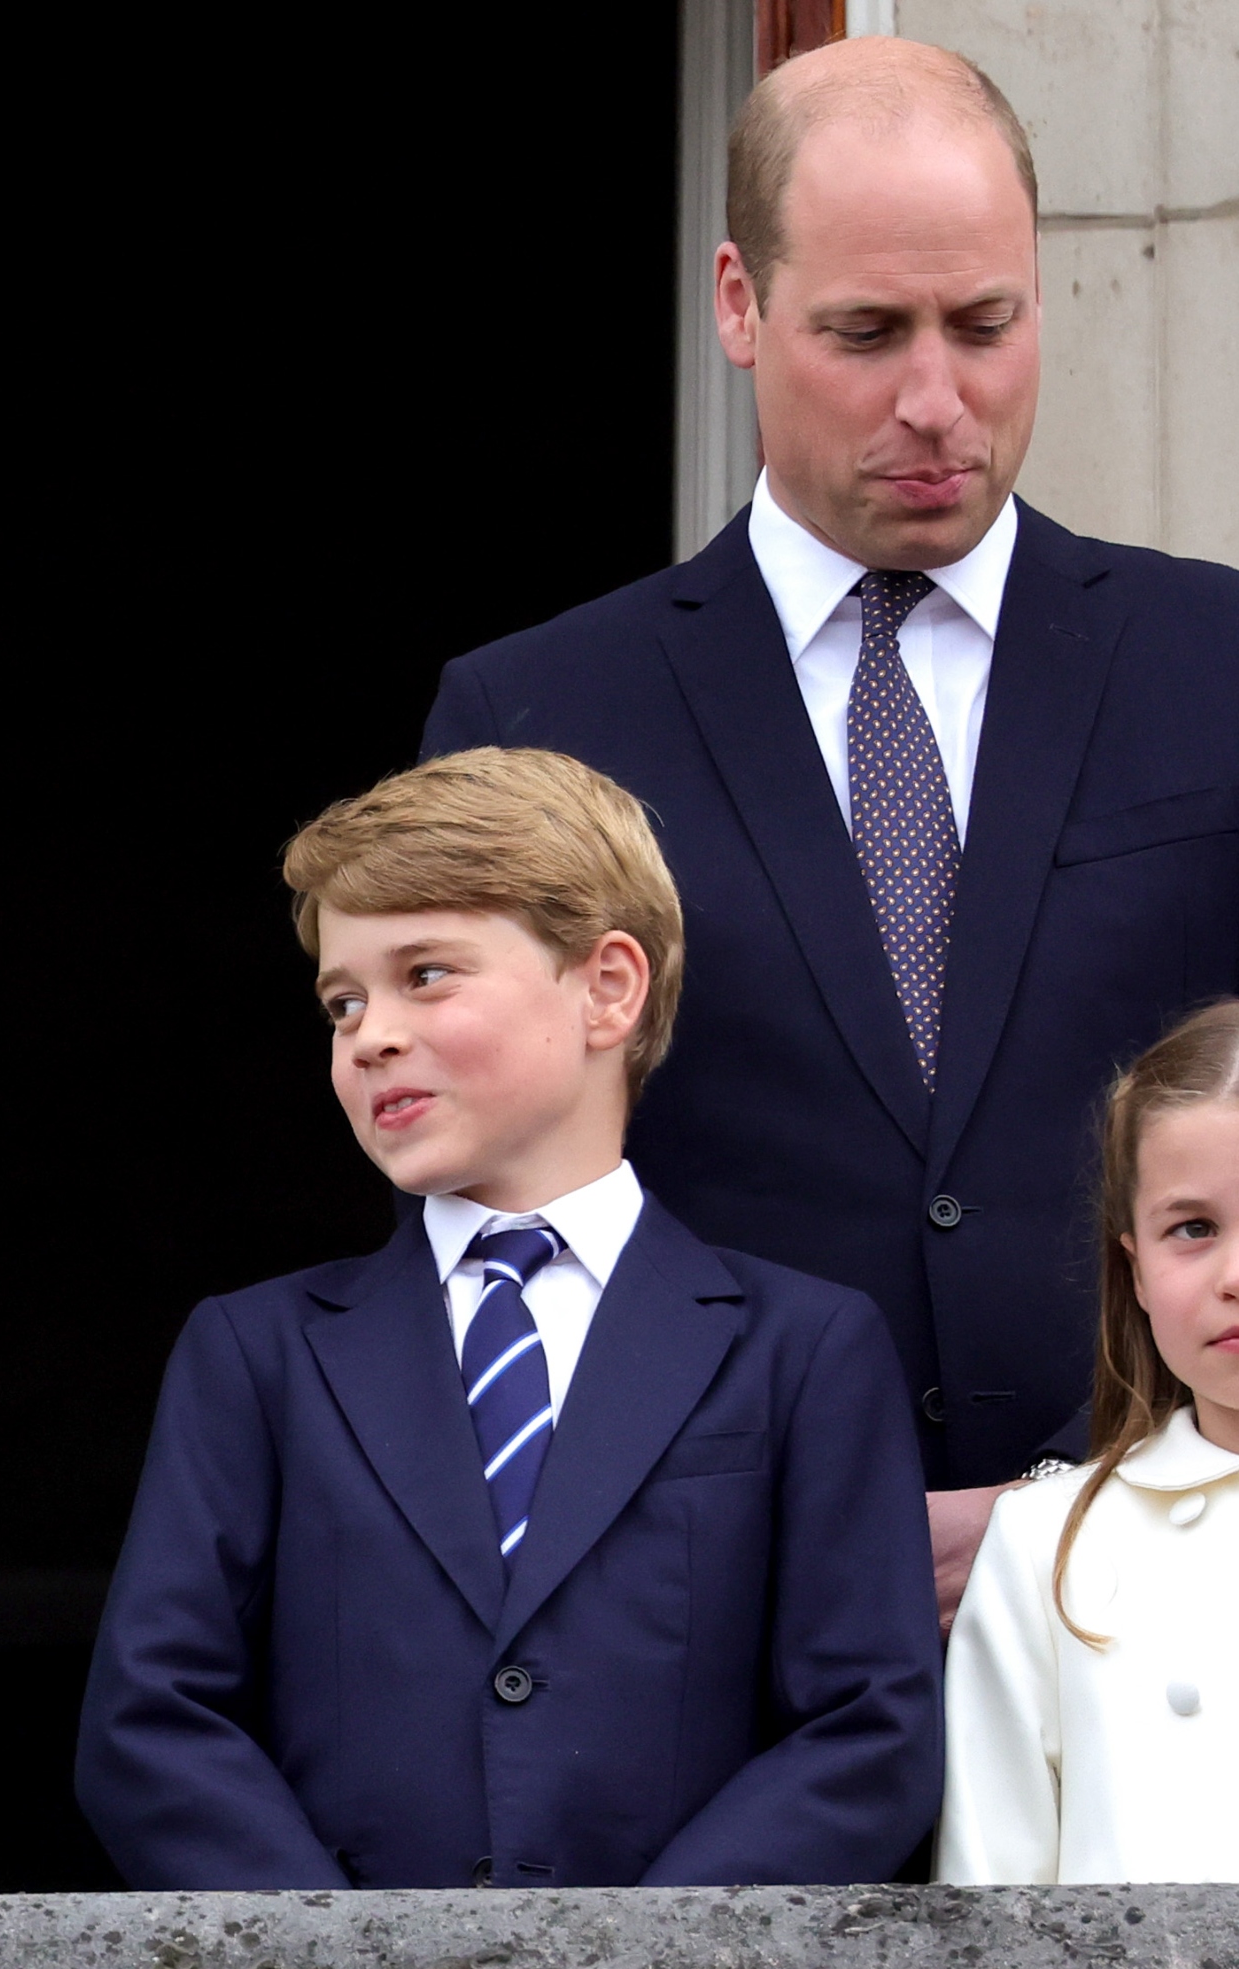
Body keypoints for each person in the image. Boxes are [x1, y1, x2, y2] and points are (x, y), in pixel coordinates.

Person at [422, 36, 1239, 1628]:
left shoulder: (1219, 664)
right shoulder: (534, 717)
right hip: (714, 1640)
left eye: (986, 326)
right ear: (737, 302)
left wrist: (1089, 1512)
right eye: (867, 333)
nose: (938, 402)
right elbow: (484, 1243)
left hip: (1178, 1629)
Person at [76, 747, 940, 1888]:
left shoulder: (801, 1346)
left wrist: (645, 1955)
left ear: (607, 988)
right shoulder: (254, 1354)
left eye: (424, 973)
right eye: (341, 1001)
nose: (367, 1033)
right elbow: (152, 1717)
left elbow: (865, 1727)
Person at [940, 1000, 1239, 1882]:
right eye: (1193, 1228)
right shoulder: (1046, 1543)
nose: (1234, 1276)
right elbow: (991, 1890)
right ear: (1134, 1266)